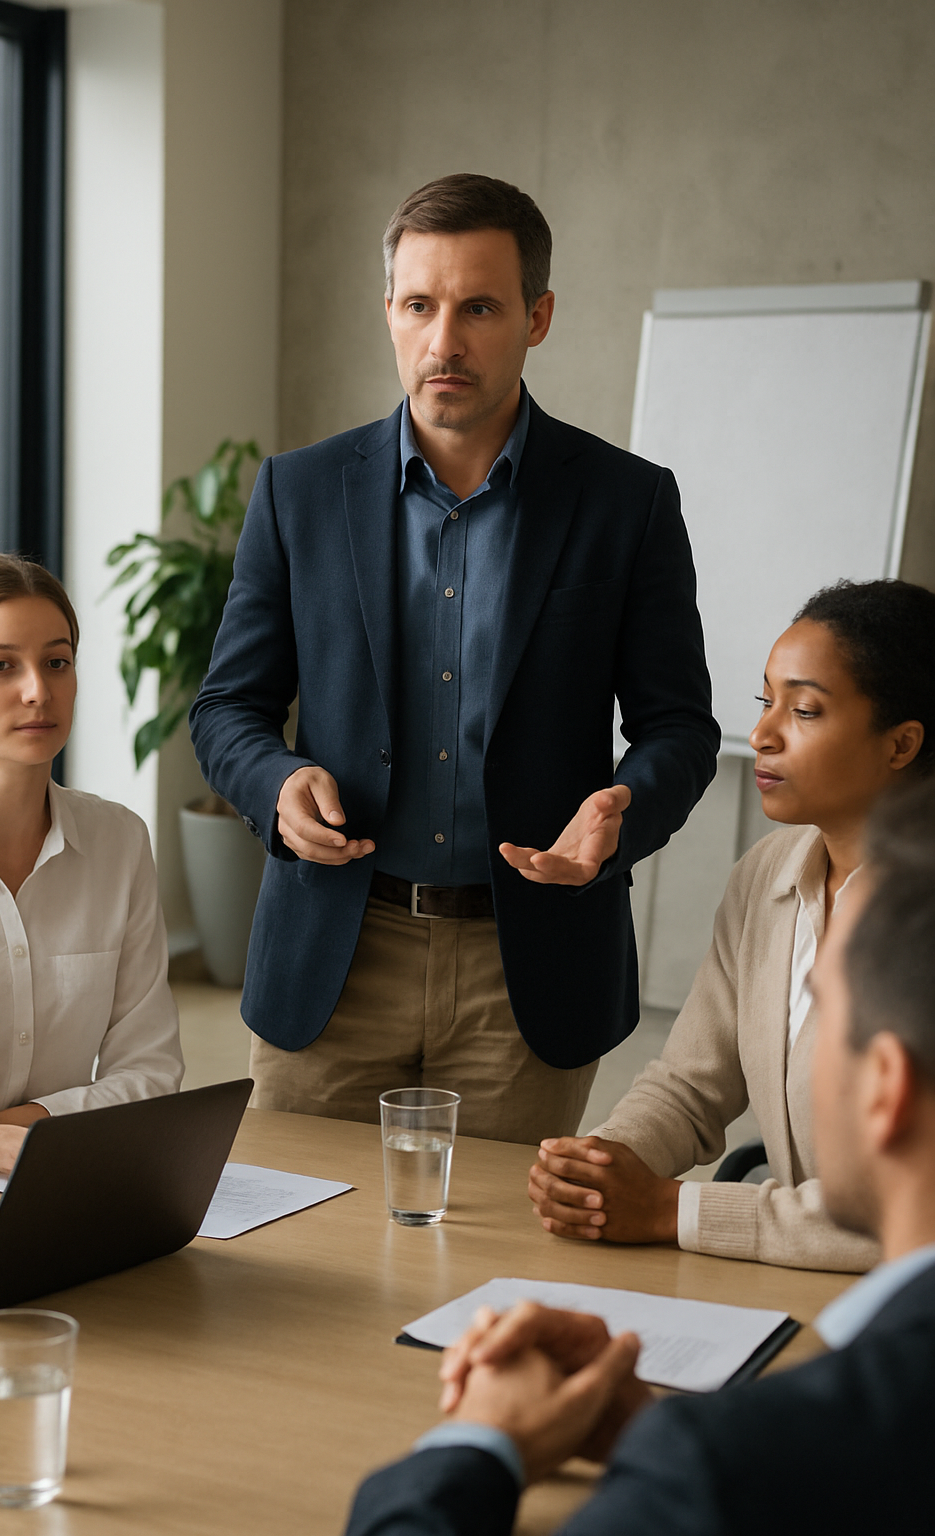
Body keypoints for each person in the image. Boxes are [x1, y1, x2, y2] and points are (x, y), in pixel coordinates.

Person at [189, 173, 718, 1143]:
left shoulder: (626, 504)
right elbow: (227, 709)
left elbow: (679, 726)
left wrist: (623, 809)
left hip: (527, 965)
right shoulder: (298, 494)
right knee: (304, 1256)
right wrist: (275, 783)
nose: (445, 341)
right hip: (337, 951)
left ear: (537, 316)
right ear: (388, 311)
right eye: (420, 305)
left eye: (479, 306)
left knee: (490, 1271)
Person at [342, 778, 935, 1535]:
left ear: (886, 1087)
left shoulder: (727, 1461)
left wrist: (482, 1442)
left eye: (825, 1015)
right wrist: (602, 1167)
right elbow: (690, 1079)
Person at [529, 578, 935, 1269]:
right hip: (802, 1289)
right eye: (764, 702)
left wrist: (669, 1209)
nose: (762, 735)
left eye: (804, 711)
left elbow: (911, 1209)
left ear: (900, 744)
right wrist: (603, 1164)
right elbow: (691, 1085)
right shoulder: (768, 872)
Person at [0, 554, 184, 1175]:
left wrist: (13, 1136)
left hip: (52, 1183)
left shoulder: (117, 841)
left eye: (56, 662)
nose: (39, 690)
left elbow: (151, 1071)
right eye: (2, 665)